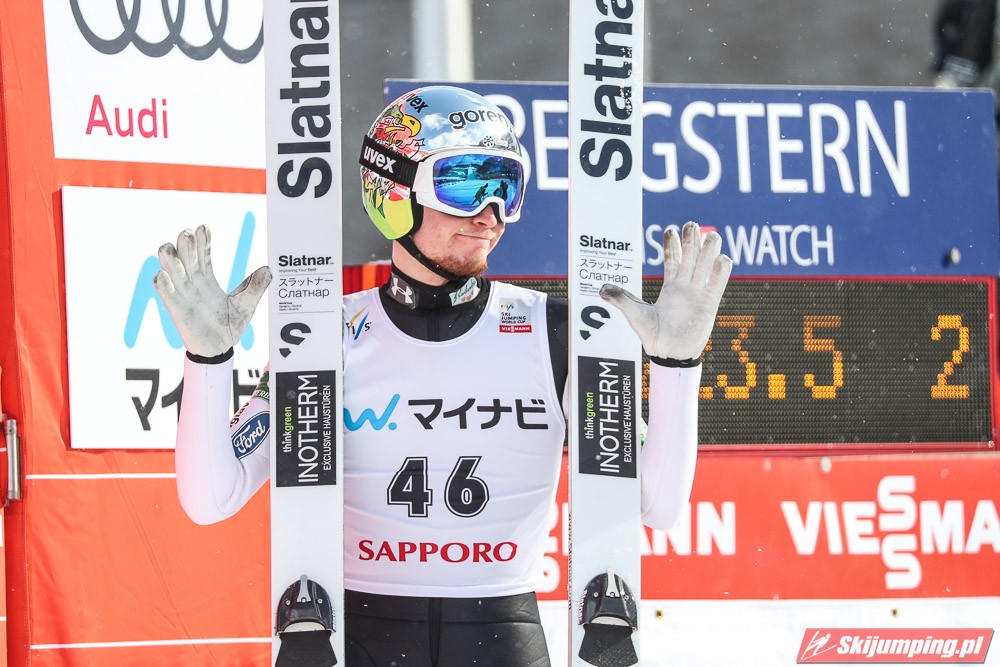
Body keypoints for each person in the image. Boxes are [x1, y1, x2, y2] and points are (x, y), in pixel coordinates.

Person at [154, 85, 732, 667]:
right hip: (360, 637)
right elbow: (211, 497)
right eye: (463, 184)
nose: (490, 214)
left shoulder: (552, 332)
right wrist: (208, 359)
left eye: (506, 187)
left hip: (504, 638)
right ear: (394, 193)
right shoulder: (326, 336)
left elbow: (657, 505)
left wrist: (677, 366)